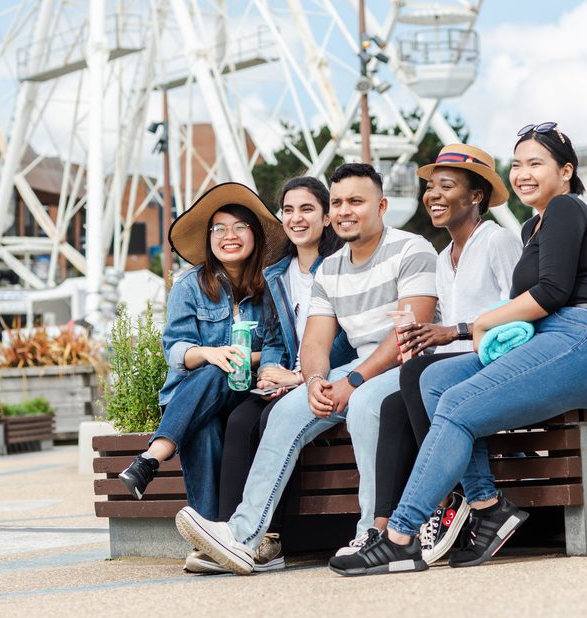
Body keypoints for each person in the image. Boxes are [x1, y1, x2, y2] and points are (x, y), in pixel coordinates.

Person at [330, 123, 587, 576]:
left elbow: (552, 292)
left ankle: (399, 537)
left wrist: (481, 323)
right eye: (517, 164)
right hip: (563, 337)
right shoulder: (535, 225)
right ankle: (487, 504)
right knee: (433, 379)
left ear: (566, 170)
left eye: (536, 163)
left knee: (455, 403)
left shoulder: (566, 208)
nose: (523, 173)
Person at [173, 161, 439, 574]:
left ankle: (373, 534)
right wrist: (314, 381)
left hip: (409, 365)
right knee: (285, 411)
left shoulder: (411, 248)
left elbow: (410, 330)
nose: (346, 210)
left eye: (357, 201)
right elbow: (315, 339)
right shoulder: (330, 269)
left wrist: (353, 379)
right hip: (354, 368)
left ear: (382, 205)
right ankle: (242, 537)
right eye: (339, 202)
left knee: (367, 403)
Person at [183, 175, 353, 574]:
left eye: (308, 209)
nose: (297, 218)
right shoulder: (278, 273)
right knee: (241, 420)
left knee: (272, 420)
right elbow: (275, 334)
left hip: (326, 376)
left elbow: (347, 336)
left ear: (326, 217)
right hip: (286, 377)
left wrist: (298, 378)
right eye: (289, 210)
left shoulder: (341, 266)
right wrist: (273, 369)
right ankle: (226, 537)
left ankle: (269, 541)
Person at [373, 144, 521, 565]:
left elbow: (523, 318)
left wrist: (450, 331)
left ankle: (451, 497)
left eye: (446, 186)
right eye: (430, 186)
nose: (432, 195)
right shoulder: (442, 257)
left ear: (476, 196)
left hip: (494, 366)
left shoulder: (498, 242)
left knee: (418, 376)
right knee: (391, 406)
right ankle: (382, 527)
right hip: (453, 370)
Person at [118, 182, 287, 522]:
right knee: (205, 427)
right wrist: (210, 354)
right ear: (210, 238)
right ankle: (213, 533)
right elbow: (176, 351)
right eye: (220, 228)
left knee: (219, 371)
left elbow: (275, 346)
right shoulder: (189, 286)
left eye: (240, 227)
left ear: (254, 235)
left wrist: (240, 359)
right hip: (194, 395)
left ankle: (153, 456)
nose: (230, 235)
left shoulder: (271, 288)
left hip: (249, 394)